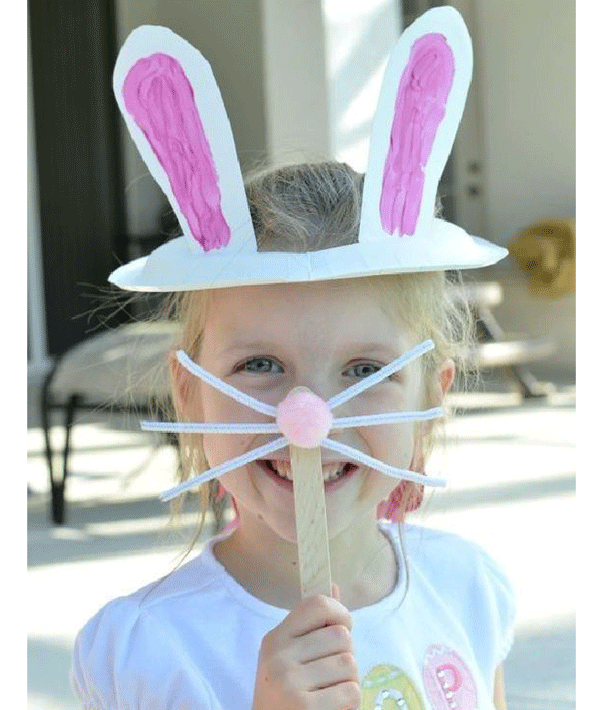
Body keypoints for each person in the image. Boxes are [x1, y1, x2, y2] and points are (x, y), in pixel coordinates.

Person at [71, 10, 515, 710]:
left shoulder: (469, 589)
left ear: (432, 396)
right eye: (259, 365)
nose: (305, 415)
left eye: (365, 371)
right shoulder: (145, 652)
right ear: (190, 397)